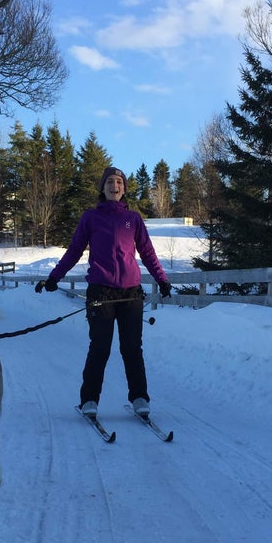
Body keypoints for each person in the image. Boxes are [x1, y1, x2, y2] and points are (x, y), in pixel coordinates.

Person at [36, 166, 172, 418]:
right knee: (100, 347)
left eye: (119, 181)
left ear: (124, 188)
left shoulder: (133, 219)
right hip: (101, 293)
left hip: (131, 294)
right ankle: (89, 400)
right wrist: (54, 277)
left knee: (132, 348)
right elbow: (74, 250)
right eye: (110, 181)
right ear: (102, 187)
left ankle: (139, 397)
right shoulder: (90, 217)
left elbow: (148, 253)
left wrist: (162, 280)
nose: (115, 185)